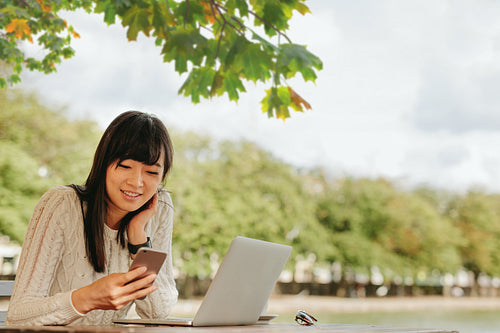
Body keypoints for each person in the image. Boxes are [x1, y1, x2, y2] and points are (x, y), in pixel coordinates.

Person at [6, 111, 178, 326]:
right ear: (104, 163)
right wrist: (86, 298)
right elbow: (18, 316)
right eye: (125, 166)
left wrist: (139, 239)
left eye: (152, 172)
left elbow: (157, 312)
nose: (137, 182)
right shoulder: (62, 205)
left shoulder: (159, 206)